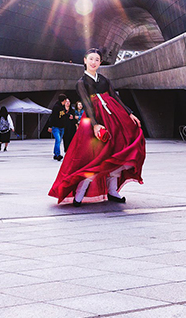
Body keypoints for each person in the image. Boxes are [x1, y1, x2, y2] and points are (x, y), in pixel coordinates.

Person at [49, 48, 146, 205]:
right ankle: (80, 192)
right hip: (94, 119)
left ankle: (112, 190)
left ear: (100, 63)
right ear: (85, 60)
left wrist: (129, 113)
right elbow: (87, 104)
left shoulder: (104, 80)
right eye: (91, 59)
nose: (93, 62)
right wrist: (95, 125)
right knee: (93, 157)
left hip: (113, 117)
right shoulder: (81, 83)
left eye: (97, 60)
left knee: (117, 151)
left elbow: (115, 97)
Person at [48, 95, 73, 161]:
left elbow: (64, 114)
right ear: (64, 100)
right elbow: (52, 117)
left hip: (62, 127)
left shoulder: (62, 107)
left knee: (58, 141)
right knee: (58, 140)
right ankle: (57, 154)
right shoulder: (56, 107)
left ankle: (55, 154)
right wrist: (50, 126)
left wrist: (69, 115)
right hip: (56, 127)